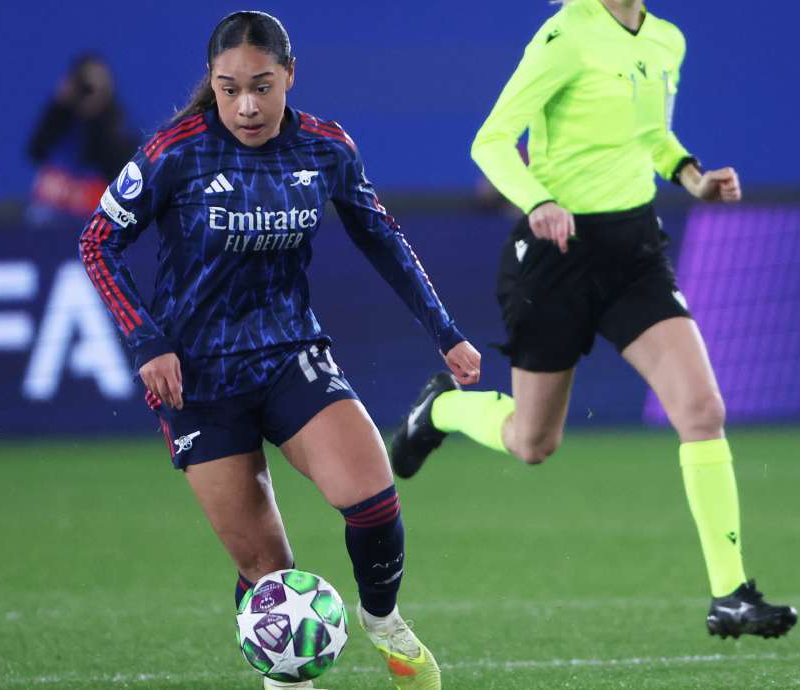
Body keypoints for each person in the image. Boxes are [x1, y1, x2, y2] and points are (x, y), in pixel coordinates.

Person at [78, 11, 480, 690]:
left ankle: (381, 619)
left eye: (262, 85)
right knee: (270, 578)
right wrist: (147, 339)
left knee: (374, 498)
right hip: (199, 379)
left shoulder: (325, 149)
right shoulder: (175, 151)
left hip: (290, 352)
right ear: (212, 82)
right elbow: (97, 242)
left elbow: (383, 239)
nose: (247, 105)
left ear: (290, 76)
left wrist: (446, 332)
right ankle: (286, 678)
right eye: (230, 87)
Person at [389, 0, 798, 640]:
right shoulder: (564, 35)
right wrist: (539, 200)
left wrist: (691, 177)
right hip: (556, 258)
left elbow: (651, 136)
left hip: (634, 253)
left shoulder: (667, 40)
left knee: (702, 411)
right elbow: (490, 140)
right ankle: (440, 410)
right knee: (533, 442)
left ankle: (731, 596)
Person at [25, 55, 139, 228]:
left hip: (103, 210)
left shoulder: (115, 122)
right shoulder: (61, 116)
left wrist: (98, 117)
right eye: (84, 86)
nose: (89, 93)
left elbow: (116, 167)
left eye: (96, 87)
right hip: (58, 209)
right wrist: (57, 106)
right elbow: (36, 152)